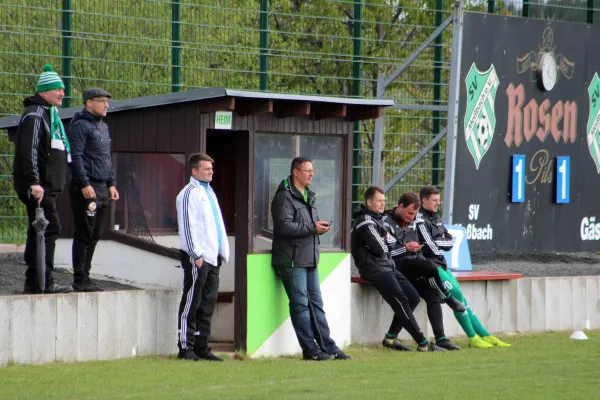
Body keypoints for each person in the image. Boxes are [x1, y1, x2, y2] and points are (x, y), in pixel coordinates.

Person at [271, 157, 351, 361]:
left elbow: (304, 226)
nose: (311, 174)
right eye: (307, 170)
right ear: (295, 172)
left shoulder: (308, 195)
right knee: (300, 305)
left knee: (316, 305)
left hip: (309, 259)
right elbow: (283, 227)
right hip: (291, 260)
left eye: (312, 171)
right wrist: (312, 228)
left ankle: (329, 347)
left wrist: (318, 227)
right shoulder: (284, 197)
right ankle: (310, 350)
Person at [351, 186, 445, 352]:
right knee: (401, 299)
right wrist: (386, 241)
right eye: (379, 201)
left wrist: (386, 241)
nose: (382, 204)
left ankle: (391, 338)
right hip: (374, 268)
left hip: (386, 265)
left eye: (384, 201)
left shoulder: (377, 220)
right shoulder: (365, 221)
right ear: (369, 202)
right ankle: (423, 343)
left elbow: (391, 243)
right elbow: (381, 247)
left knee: (413, 297)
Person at [417, 185, 511, 348]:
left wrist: (439, 240)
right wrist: (441, 241)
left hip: (442, 264)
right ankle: (472, 337)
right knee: (456, 295)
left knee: (462, 299)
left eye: (439, 200)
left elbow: (449, 241)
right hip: (429, 266)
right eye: (434, 200)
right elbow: (428, 246)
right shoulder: (419, 220)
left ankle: (485, 335)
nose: (438, 203)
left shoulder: (436, 218)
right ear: (424, 200)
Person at [13, 64, 72, 294]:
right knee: (49, 228)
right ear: (45, 92)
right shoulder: (36, 115)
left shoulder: (51, 115)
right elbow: (29, 152)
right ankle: (43, 281)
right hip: (39, 186)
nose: (62, 93)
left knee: (38, 229)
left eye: (63, 89)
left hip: (47, 186)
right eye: (58, 89)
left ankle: (34, 281)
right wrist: (34, 182)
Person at [383, 192, 465, 351]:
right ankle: (447, 297)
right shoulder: (386, 223)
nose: (411, 217)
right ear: (400, 206)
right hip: (397, 265)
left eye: (414, 214)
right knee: (430, 267)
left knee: (431, 295)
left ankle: (440, 338)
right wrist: (405, 249)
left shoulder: (414, 221)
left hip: (414, 265)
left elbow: (434, 243)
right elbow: (386, 253)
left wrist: (416, 252)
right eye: (409, 213)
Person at [176, 153, 229, 361]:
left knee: (207, 303)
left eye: (212, 168)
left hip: (213, 256)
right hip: (198, 257)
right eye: (206, 168)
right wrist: (195, 254)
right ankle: (185, 347)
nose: (211, 172)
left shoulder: (209, 192)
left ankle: (202, 346)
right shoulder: (189, 193)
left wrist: (222, 251)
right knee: (192, 302)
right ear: (194, 170)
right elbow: (187, 226)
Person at [67, 88, 118, 292]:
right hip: (86, 188)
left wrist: (111, 183)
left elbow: (106, 157)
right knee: (84, 233)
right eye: (102, 101)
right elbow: (75, 157)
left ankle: (86, 275)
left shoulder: (103, 127)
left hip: (102, 187)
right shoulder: (80, 126)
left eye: (107, 101)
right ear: (89, 102)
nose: (106, 105)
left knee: (96, 233)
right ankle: (80, 278)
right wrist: (84, 184)